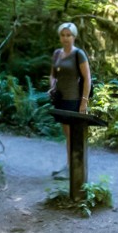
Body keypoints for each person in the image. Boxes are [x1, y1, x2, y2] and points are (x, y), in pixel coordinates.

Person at [48, 21, 92, 171]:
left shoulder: (78, 54)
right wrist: (52, 87)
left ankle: (74, 167)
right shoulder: (57, 54)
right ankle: (70, 166)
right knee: (67, 135)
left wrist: (83, 103)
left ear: (74, 37)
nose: (66, 38)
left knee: (74, 136)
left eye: (69, 35)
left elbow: (87, 78)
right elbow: (53, 75)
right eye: (63, 35)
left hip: (74, 100)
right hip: (60, 99)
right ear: (59, 37)